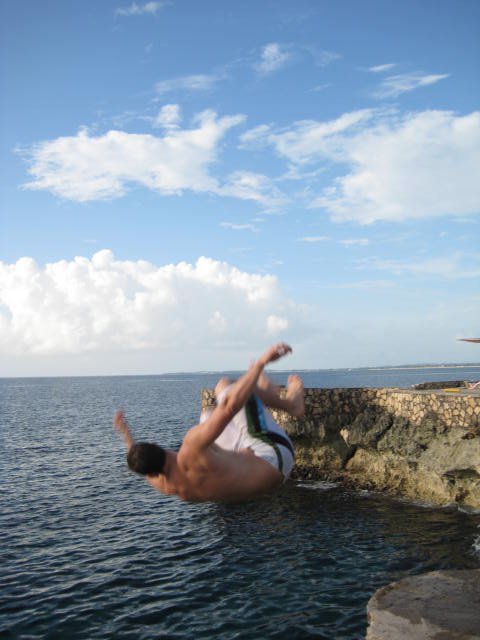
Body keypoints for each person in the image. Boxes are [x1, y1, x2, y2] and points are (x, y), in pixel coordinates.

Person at [114, 343, 304, 503]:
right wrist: (261, 363)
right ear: (156, 445)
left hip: (261, 478)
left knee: (208, 416)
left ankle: (262, 390)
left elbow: (144, 466)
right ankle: (291, 405)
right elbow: (229, 406)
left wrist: (127, 437)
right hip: (276, 456)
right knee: (226, 387)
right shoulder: (191, 447)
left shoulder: (166, 486)